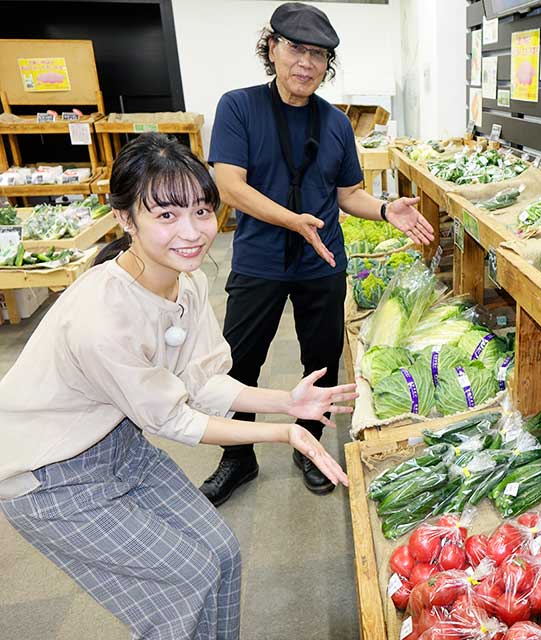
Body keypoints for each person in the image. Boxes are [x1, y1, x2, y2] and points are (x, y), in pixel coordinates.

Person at [0, 133, 358, 640]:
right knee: (185, 580)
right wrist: (284, 434)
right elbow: (175, 419)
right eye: (165, 216)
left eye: (201, 211)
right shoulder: (103, 317)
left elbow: (203, 381)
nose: (191, 232)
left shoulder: (184, 279)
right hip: (49, 477)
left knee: (223, 554)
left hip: (119, 444)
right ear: (126, 219)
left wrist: (287, 402)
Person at [201, 3, 434, 505]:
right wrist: (292, 220)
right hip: (259, 260)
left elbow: (349, 194)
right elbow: (229, 186)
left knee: (322, 362)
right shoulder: (238, 107)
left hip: (322, 262)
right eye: (296, 49)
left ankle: (308, 447)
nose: (306, 63)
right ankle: (236, 457)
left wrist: (386, 209)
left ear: (328, 64)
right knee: (238, 364)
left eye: (319, 55)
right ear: (272, 49)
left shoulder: (335, 124)